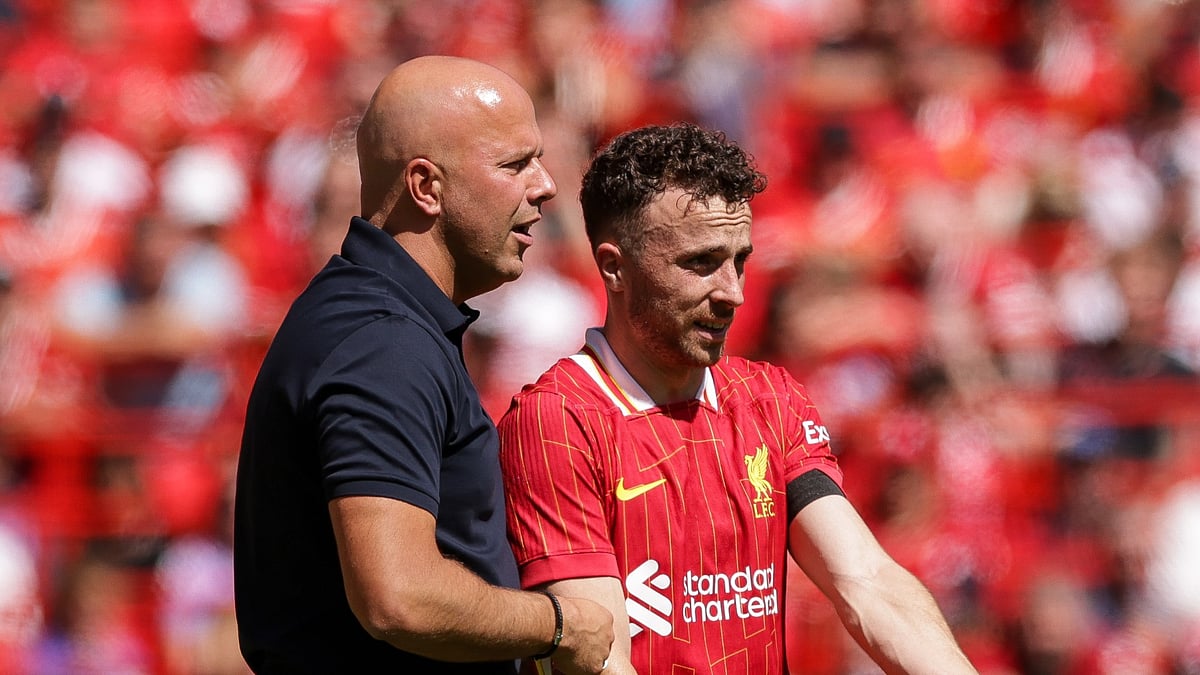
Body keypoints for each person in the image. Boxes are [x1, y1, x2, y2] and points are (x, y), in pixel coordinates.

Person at [497, 123, 978, 674]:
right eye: (700, 263)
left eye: (740, 260)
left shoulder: (771, 400)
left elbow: (866, 582)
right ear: (614, 267)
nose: (734, 292)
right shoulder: (558, 419)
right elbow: (596, 654)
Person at [233, 55, 614, 674]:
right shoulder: (382, 341)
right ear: (427, 187)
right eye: (515, 164)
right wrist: (561, 625)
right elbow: (399, 597)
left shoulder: (384, 320)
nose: (544, 186)